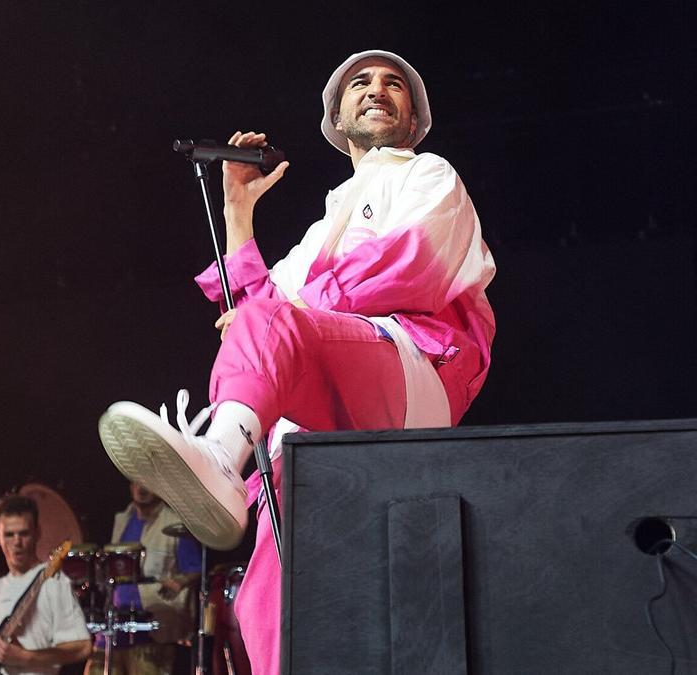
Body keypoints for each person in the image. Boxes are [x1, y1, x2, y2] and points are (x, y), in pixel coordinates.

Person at [96, 50, 496, 674]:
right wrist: (238, 214)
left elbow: (405, 267)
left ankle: (221, 460)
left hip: (411, 368)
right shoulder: (323, 226)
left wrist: (286, 311)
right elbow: (261, 322)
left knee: (275, 320)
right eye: (359, 83)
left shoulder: (428, 176)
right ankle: (228, 461)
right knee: (271, 602)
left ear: (413, 115)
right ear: (337, 116)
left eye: (393, 84)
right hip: (323, 413)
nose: (376, 90)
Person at [0, 494, 93, 675]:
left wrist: (26, 657)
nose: (17, 542)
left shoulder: (54, 583)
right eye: (9, 535)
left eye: (23, 533)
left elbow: (82, 648)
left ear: (37, 533)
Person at [84, 481, 201, 675]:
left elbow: (196, 568)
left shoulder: (174, 523)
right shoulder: (123, 519)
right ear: (130, 486)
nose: (142, 488)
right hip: (115, 631)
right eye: (137, 481)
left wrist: (178, 582)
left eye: (148, 481)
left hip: (151, 632)